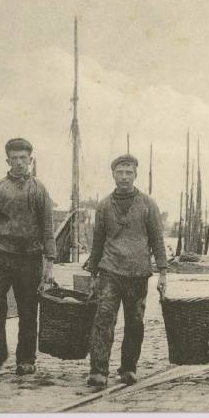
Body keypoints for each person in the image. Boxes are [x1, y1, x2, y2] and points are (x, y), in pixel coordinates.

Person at [0, 138, 56, 377]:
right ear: (7, 160)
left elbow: (48, 228)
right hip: (1, 255)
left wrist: (49, 262)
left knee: (28, 309)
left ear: (30, 160)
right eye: (14, 158)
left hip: (30, 257)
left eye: (23, 158)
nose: (19, 163)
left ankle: (26, 359)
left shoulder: (39, 190)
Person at [85, 154, 168, 388]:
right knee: (103, 320)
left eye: (129, 172)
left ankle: (129, 368)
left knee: (135, 323)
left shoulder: (148, 205)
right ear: (113, 174)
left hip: (138, 273)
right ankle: (98, 370)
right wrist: (93, 274)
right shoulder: (103, 206)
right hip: (110, 271)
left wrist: (163, 272)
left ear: (135, 175)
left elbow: (157, 240)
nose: (124, 177)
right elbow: (98, 242)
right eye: (120, 172)